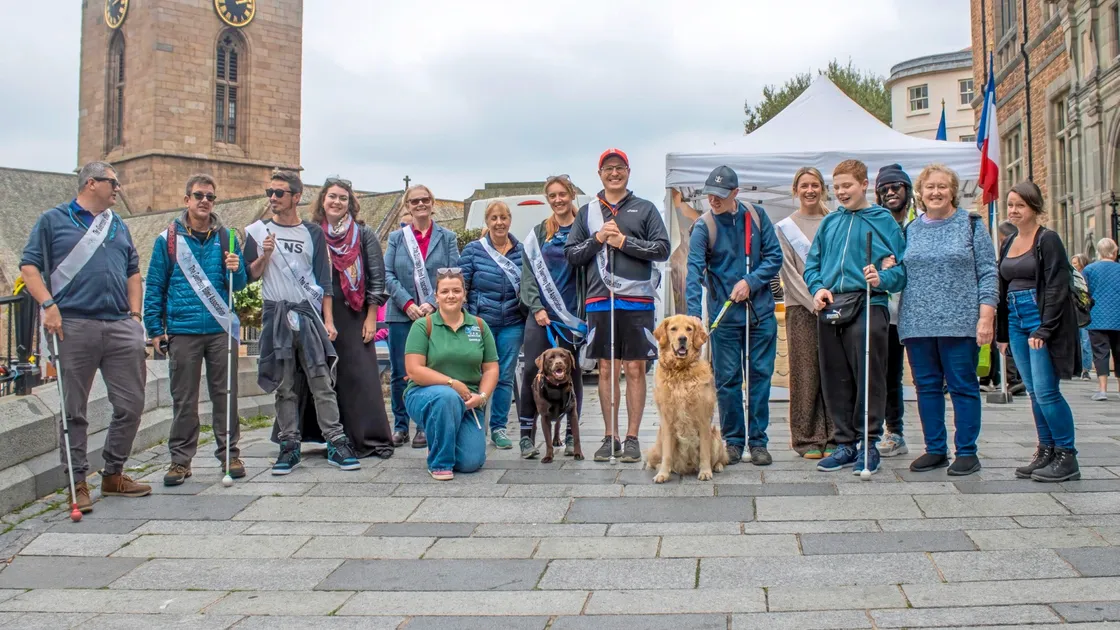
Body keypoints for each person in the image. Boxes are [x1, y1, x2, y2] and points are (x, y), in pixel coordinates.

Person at [19, 161, 151, 511]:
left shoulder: (117, 224)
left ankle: (113, 472)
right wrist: (48, 304)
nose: (118, 189)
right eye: (113, 183)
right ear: (91, 183)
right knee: (74, 410)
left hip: (120, 324)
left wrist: (135, 316)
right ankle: (78, 482)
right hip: (73, 324)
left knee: (132, 404)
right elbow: (29, 267)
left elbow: (133, 273)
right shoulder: (53, 220)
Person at [244, 171, 361, 475]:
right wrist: (264, 257)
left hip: (307, 314)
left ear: (296, 197)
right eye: (270, 192)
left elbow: (324, 280)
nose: (273, 198)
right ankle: (289, 444)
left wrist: (328, 320)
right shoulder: (258, 232)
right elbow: (248, 276)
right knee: (284, 385)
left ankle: (335, 440)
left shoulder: (313, 233)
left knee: (321, 378)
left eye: (279, 193)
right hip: (275, 313)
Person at [565, 149, 670, 462]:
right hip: (600, 301)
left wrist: (625, 243)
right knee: (607, 368)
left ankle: (633, 437)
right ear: (600, 174)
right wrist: (598, 238)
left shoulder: (646, 209)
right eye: (608, 168)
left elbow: (662, 248)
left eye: (620, 168)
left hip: (637, 301)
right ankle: (610, 436)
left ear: (628, 171)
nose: (614, 173)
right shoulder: (587, 213)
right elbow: (572, 254)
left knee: (635, 368)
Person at [144, 174, 248, 486]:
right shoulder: (168, 240)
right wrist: (154, 328)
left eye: (210, 197)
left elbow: (239, 285)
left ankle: (229, 453)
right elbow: (155, 286)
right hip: (183, 329)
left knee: (225, 395)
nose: (205, 201)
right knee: (184, 398)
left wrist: (237, 268)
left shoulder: (227, 238)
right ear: (187, 200)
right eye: (199, 195)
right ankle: (180, 460)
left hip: (219, 329)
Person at [805, 159, 906, 476]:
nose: (841, 192)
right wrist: (818, 287)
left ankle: (869, 445)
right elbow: (813, 265)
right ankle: (846, 444)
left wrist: (883, 279)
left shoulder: (883, 221)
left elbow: (902, 270)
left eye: (847, 185)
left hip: (868, 303)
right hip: (832, 306)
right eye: (836, 187)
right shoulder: (829, 223)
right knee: (835, 378)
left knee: (869, 377)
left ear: (864, 184)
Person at [897, 165, 997, 476]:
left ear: (953, 191)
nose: (936, 192)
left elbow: (989, 272)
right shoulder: (910, 230)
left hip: (960, 322)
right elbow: (901, 272)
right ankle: (935, 449)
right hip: (917, 323)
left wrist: (986, 317)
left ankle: (966, 451)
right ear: (921, 193)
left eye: (942, 187)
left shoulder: (970, 224)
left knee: (963, 387)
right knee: (926, 388)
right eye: (930, 187)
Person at [685, 165, 782, 465]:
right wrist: (692, 319)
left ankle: (758, 441)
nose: (713, 200)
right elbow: (693, 272)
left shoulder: (757, 216)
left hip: (760, 314)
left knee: (759, 378)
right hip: (724, 318)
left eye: (720, 195)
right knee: (727, 380)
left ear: (735, 193)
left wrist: (751, 282)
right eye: (710, 195)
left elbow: (774, 257)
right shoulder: (703, 227)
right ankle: (734, 441)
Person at [997, 180, 1082, 483]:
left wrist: (1045, 328)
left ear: (1035, 207)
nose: (1014, 210)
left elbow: (1058, 285)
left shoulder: (1047, 239)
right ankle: (1046, 450)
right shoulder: (1008, 242)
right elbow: (1002, 286)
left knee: (1047, 391)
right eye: (1010, 205)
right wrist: (1002, 333)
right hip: (1017, 319)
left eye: (1020, 205)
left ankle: (1066, 455)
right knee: (1033, 392)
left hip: (1040, 317)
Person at [308, 177, 394, 458]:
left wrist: (371, 317)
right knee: (326, 377)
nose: (336, 202)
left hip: (356, 313)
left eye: (343, 198)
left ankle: (370, 439)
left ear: (350, 203)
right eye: (332, 196)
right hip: (321, 313)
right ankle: (333, 437)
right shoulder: (312, 233)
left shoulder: (363, 234)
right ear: (323, 200)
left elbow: (377, 278)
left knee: (360, 375)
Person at [384, 185, 460, 448]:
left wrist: (430, 303)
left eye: (425, 200)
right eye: (414, 201)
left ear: (432, 203)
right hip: (401, 314)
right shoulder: (397, 238)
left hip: (434, 315)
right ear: (408, 205)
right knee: (400, 372)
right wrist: (406, 303)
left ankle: (424, 426)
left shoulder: (447, 237)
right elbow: (387, 275)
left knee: (431, 370)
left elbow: (452, 273)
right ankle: (400, 425)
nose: (420, 204)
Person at [404, 269, 499, 480]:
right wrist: (452, 383)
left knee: (470, 463)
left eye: (456, 290)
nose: (451, 296)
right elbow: (414, 370)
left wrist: (481, 397)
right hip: (424, 395)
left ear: (464, 294)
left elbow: (491, 369)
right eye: (445, 291)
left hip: (468, 402)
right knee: (446, 397)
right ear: (436, 296)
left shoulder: (480, 326)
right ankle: (439, 463)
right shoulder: (423, 325)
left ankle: (440, 437)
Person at [518, 175, 585, 458]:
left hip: (572, 315)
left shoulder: (584, 229)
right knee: (533, 371)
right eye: (552, 196)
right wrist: (537, 307)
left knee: (574, 372)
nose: (558, 200)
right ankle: (525, 435)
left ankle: (572, 435)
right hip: (542, 314)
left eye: (562, 194)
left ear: (571, 195)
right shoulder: (539, 232)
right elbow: (528, 274)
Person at [776, 167, 835, 459]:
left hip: (835, 303)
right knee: (805, 371)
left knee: (835, 371)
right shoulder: (785, 227)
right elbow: (787, 271)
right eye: (804, 185)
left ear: (822, 188)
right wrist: (812, 299)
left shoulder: (834, 221)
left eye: (815, 185)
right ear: (795, 189)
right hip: (801, 306)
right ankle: (807, 437)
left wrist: (830, 295)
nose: (809, 190)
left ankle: (836, 434)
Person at [459, 200, 526, 449]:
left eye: (503, 218)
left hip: (512, 323)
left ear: (510, 220)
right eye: (494, 218)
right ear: (487, 222)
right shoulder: (473, 251)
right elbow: (461, 286)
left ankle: (498, 428)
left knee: (505, 376)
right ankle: (475, 425)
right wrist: (467, 318)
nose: (499, 223)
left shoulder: (522, 251)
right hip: (481, 323)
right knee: (477, 375)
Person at [874, 163, 913, 458]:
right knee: (887, 375)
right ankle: (892, 430)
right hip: (884, 313)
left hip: (916, 311)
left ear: (907, 191)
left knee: (928, 377)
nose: (890, 193)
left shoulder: (918, 225)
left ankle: (936, 441)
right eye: (884, 189)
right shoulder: (875, 226)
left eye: (895, 187)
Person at [1083, 237, 1120, 401]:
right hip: (1118, 318)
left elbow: (1083, 293)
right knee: (1119, 353)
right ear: (1115, 251)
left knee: (1100, 353)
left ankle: (1102, 389)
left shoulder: (1089, 270)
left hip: (1096, 317)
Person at [1072, 253, 1094, 380]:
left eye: (1075, 262)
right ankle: (1078, 367)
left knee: (1085, 340)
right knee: (1078, 340)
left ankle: (1085, 369)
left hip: (1083, 310)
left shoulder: (1086, 274)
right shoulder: (1072, 275)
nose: (1073, 265)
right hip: (1073, 310)